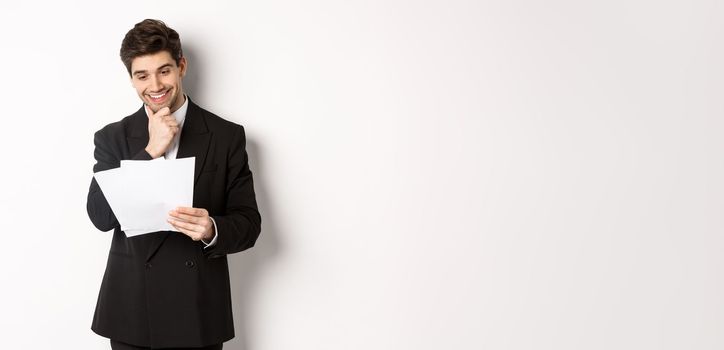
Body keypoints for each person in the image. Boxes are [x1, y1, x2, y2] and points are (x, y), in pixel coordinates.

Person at [86, 19, 261, 349]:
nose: (155, 85)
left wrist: (212, 228)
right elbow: (100, 216)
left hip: (197, 310)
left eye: (164, 71)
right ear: (132, 79)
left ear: (181, 66)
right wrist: (151, 150)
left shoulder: (226, 136)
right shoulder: (112, 138)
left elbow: (249, 224)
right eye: (142, 75)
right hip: (133, 312)